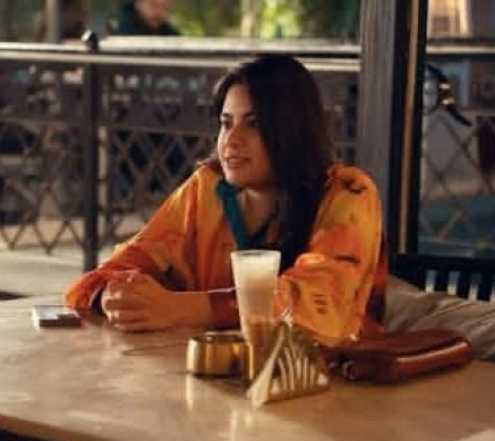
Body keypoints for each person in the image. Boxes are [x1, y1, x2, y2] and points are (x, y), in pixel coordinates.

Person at [65, 54, 387, 346]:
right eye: (226, 123)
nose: (231, 141)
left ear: (292, 129)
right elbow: (113, 271)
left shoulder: (349, 193)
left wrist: (180, 309)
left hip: (335, 380)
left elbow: (319, 305)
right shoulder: (206, 190)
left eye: (254, 124)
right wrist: (114, 296)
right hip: (206, 375)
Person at [113, 0, 179, 36]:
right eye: (154, 5)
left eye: (164, 7)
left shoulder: (169, 33)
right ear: (139, 3)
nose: (159, 13)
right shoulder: (119, 28)